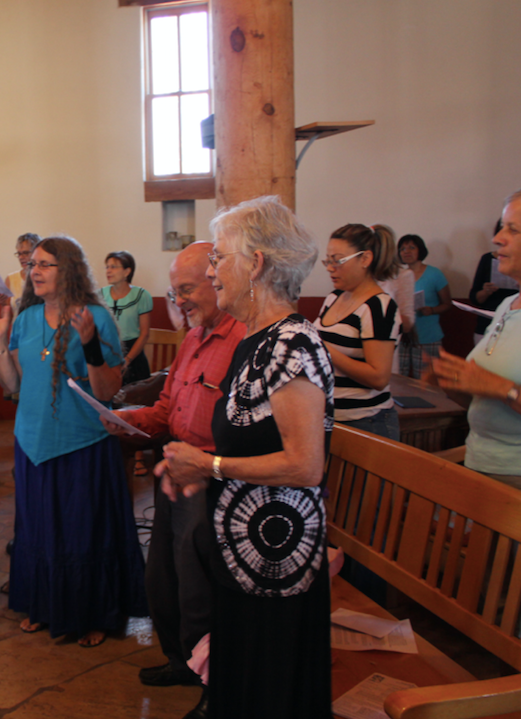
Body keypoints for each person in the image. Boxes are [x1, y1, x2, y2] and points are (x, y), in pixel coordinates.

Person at [157, 196, 334, 718]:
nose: (211, 273)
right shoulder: (254, 342)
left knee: (270, 686)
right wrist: (197, 472)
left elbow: (305, 465)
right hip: (245, 549)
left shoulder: (291, 345)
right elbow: (247, 443)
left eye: (219, 259)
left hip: (275, 558)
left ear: (256, 264)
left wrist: (208, 466)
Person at [0, 235, 148, 648]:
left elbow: (108, 389)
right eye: (32, 264)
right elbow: (12, 384)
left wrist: (90, 341)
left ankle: (94, 613)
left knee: (82, 532)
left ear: (69, 270)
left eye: (45, 264)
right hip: (32, 442)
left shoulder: (97, 316)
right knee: (38, 530)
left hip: (82, 443)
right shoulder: (26, 318)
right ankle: (45, 605)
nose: (34, 271)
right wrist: (1, 341)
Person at [103, 243, 243, 717]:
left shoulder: (244, 338)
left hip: (211, 479)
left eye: (186, 290)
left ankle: (215, 684)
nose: (178, 301)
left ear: (217, 281)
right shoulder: (191, 339)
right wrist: (120, 418)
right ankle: (181, 660)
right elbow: (166, 411)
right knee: (164, 576)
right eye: (173, 291)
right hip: (174, 471)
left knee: (201, 586)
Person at [430, 186, 521, 494]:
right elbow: (483, 398)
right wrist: (455, 383)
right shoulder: (508, 304)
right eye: (501, 227)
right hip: (482, 465)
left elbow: (500, 389)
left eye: (512, 229)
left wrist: (503, 388)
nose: (497, 238)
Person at [314, 224, 402, 440]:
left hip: (366, 421)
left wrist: (323, 350)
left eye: (338, 260)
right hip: (329, 416)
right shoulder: (333, 298)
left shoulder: (378, 307)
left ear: (365, 259)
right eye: (328, 260)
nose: (330, 267)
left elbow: (379, 377)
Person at [398, 234, 450, 378]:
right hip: (403, 336)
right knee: (399, 377)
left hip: (428, 336)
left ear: (420, 250)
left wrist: (431, 310)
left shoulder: (435, 274)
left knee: (425, 382)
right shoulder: (398, 275)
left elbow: (447, 304)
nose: (406, 251)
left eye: (411, 248)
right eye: (402, 249)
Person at [100, 251, 153, 385]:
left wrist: (127, 359)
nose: (108, 271)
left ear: (127, 271)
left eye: (114, 267)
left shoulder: (141, 295)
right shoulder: (99, 295)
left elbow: (145, 333)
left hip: (133, 353)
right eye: (107, 267)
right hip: (109, 351)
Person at [468, 222, 519, 342]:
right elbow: (474, 298)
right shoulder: (487, 259)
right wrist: (486, 291)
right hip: (488, 323)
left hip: (515, 326)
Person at [2, 233, 41, 314]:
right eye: (19, 254)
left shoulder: (45, 278)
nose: (21, 257)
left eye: (26, 253)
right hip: (18, 326)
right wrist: (3, 304)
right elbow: (7, 318)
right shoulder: (11, 279)